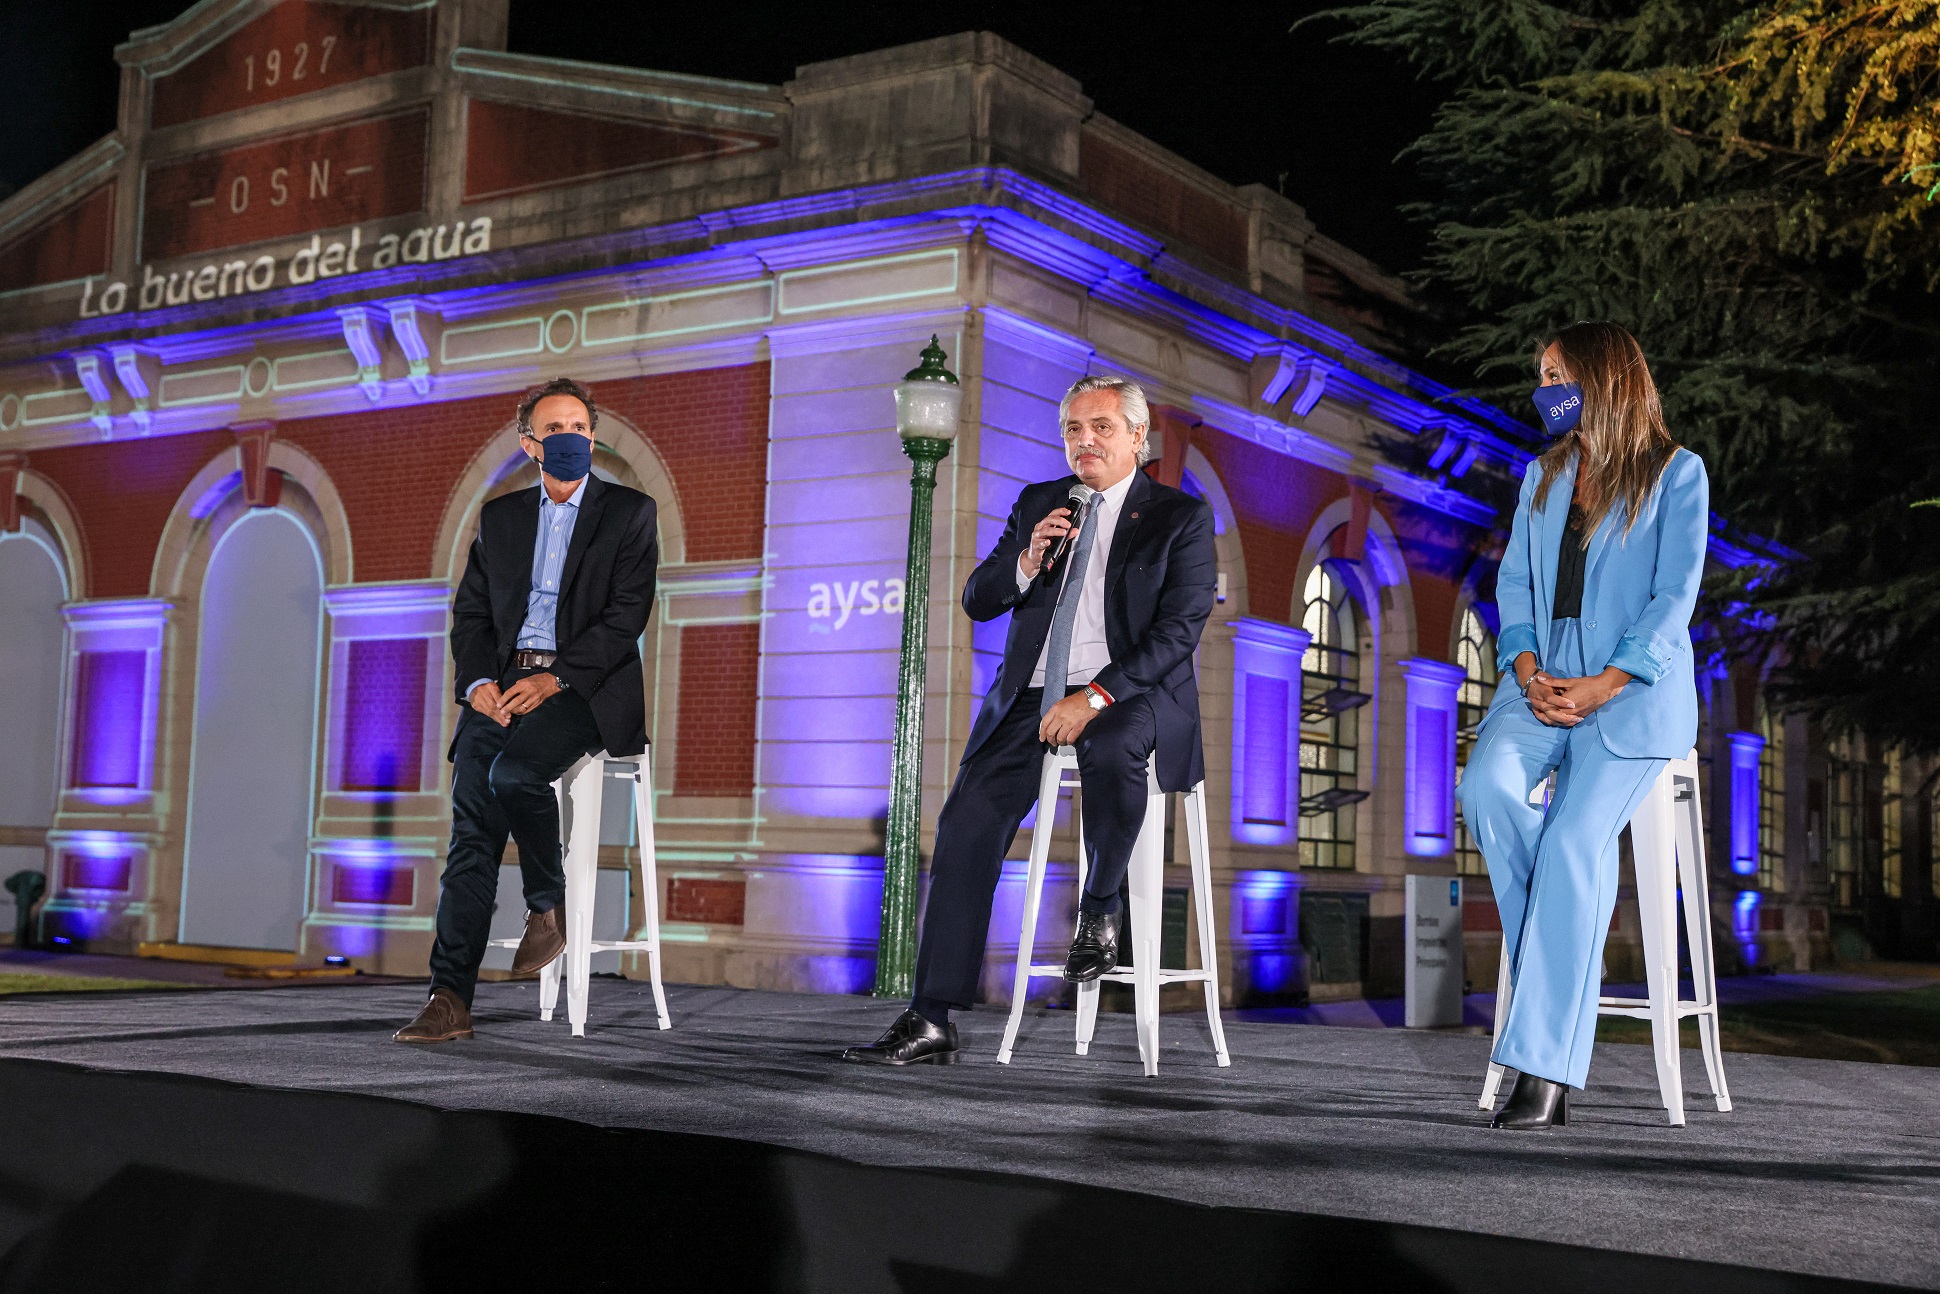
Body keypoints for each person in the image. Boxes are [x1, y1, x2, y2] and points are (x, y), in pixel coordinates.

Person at [843, 374, 1218, 1065]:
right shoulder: (1042, 504)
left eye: (1102, 427)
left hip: (1128, 694)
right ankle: (931, 1019)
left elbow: (1177, 633)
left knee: (1110, 755)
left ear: (1138, 436)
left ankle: (1100, 907)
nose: (1086, 441)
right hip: (1031, 695)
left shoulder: (1179, 517)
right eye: (1075, 429)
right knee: (966, 822)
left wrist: (1096, 696)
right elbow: (978, 598)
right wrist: (1026, 560)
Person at [1456, 322, 1708, 1127]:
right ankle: (1555, 973)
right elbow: (1515, 593)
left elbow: (1674, 601)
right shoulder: (1541, 475)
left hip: (1630, 690)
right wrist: (1528, 673)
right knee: (1485, 788)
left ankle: (1544, 1073)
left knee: (1570, 843)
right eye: (1541, 374)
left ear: (1601, 378)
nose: (1544, 388)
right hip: (1540, 681)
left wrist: (1605, 684)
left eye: (1555, 373)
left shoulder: (1677, 475)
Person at [395, 378, 659, 1042]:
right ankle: (448, 998)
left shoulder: (631, 512)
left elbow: (626, 619)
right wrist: (478, 679)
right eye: (555, 429)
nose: (569, 437)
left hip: (587, 691)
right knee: (471, 838)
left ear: (591, 438)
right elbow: (472, 616)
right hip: (505, 686)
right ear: (530, 445)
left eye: (579, 427)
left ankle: (548, 905)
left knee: (512, 775)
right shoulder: (500, 518)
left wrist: (557, 679)